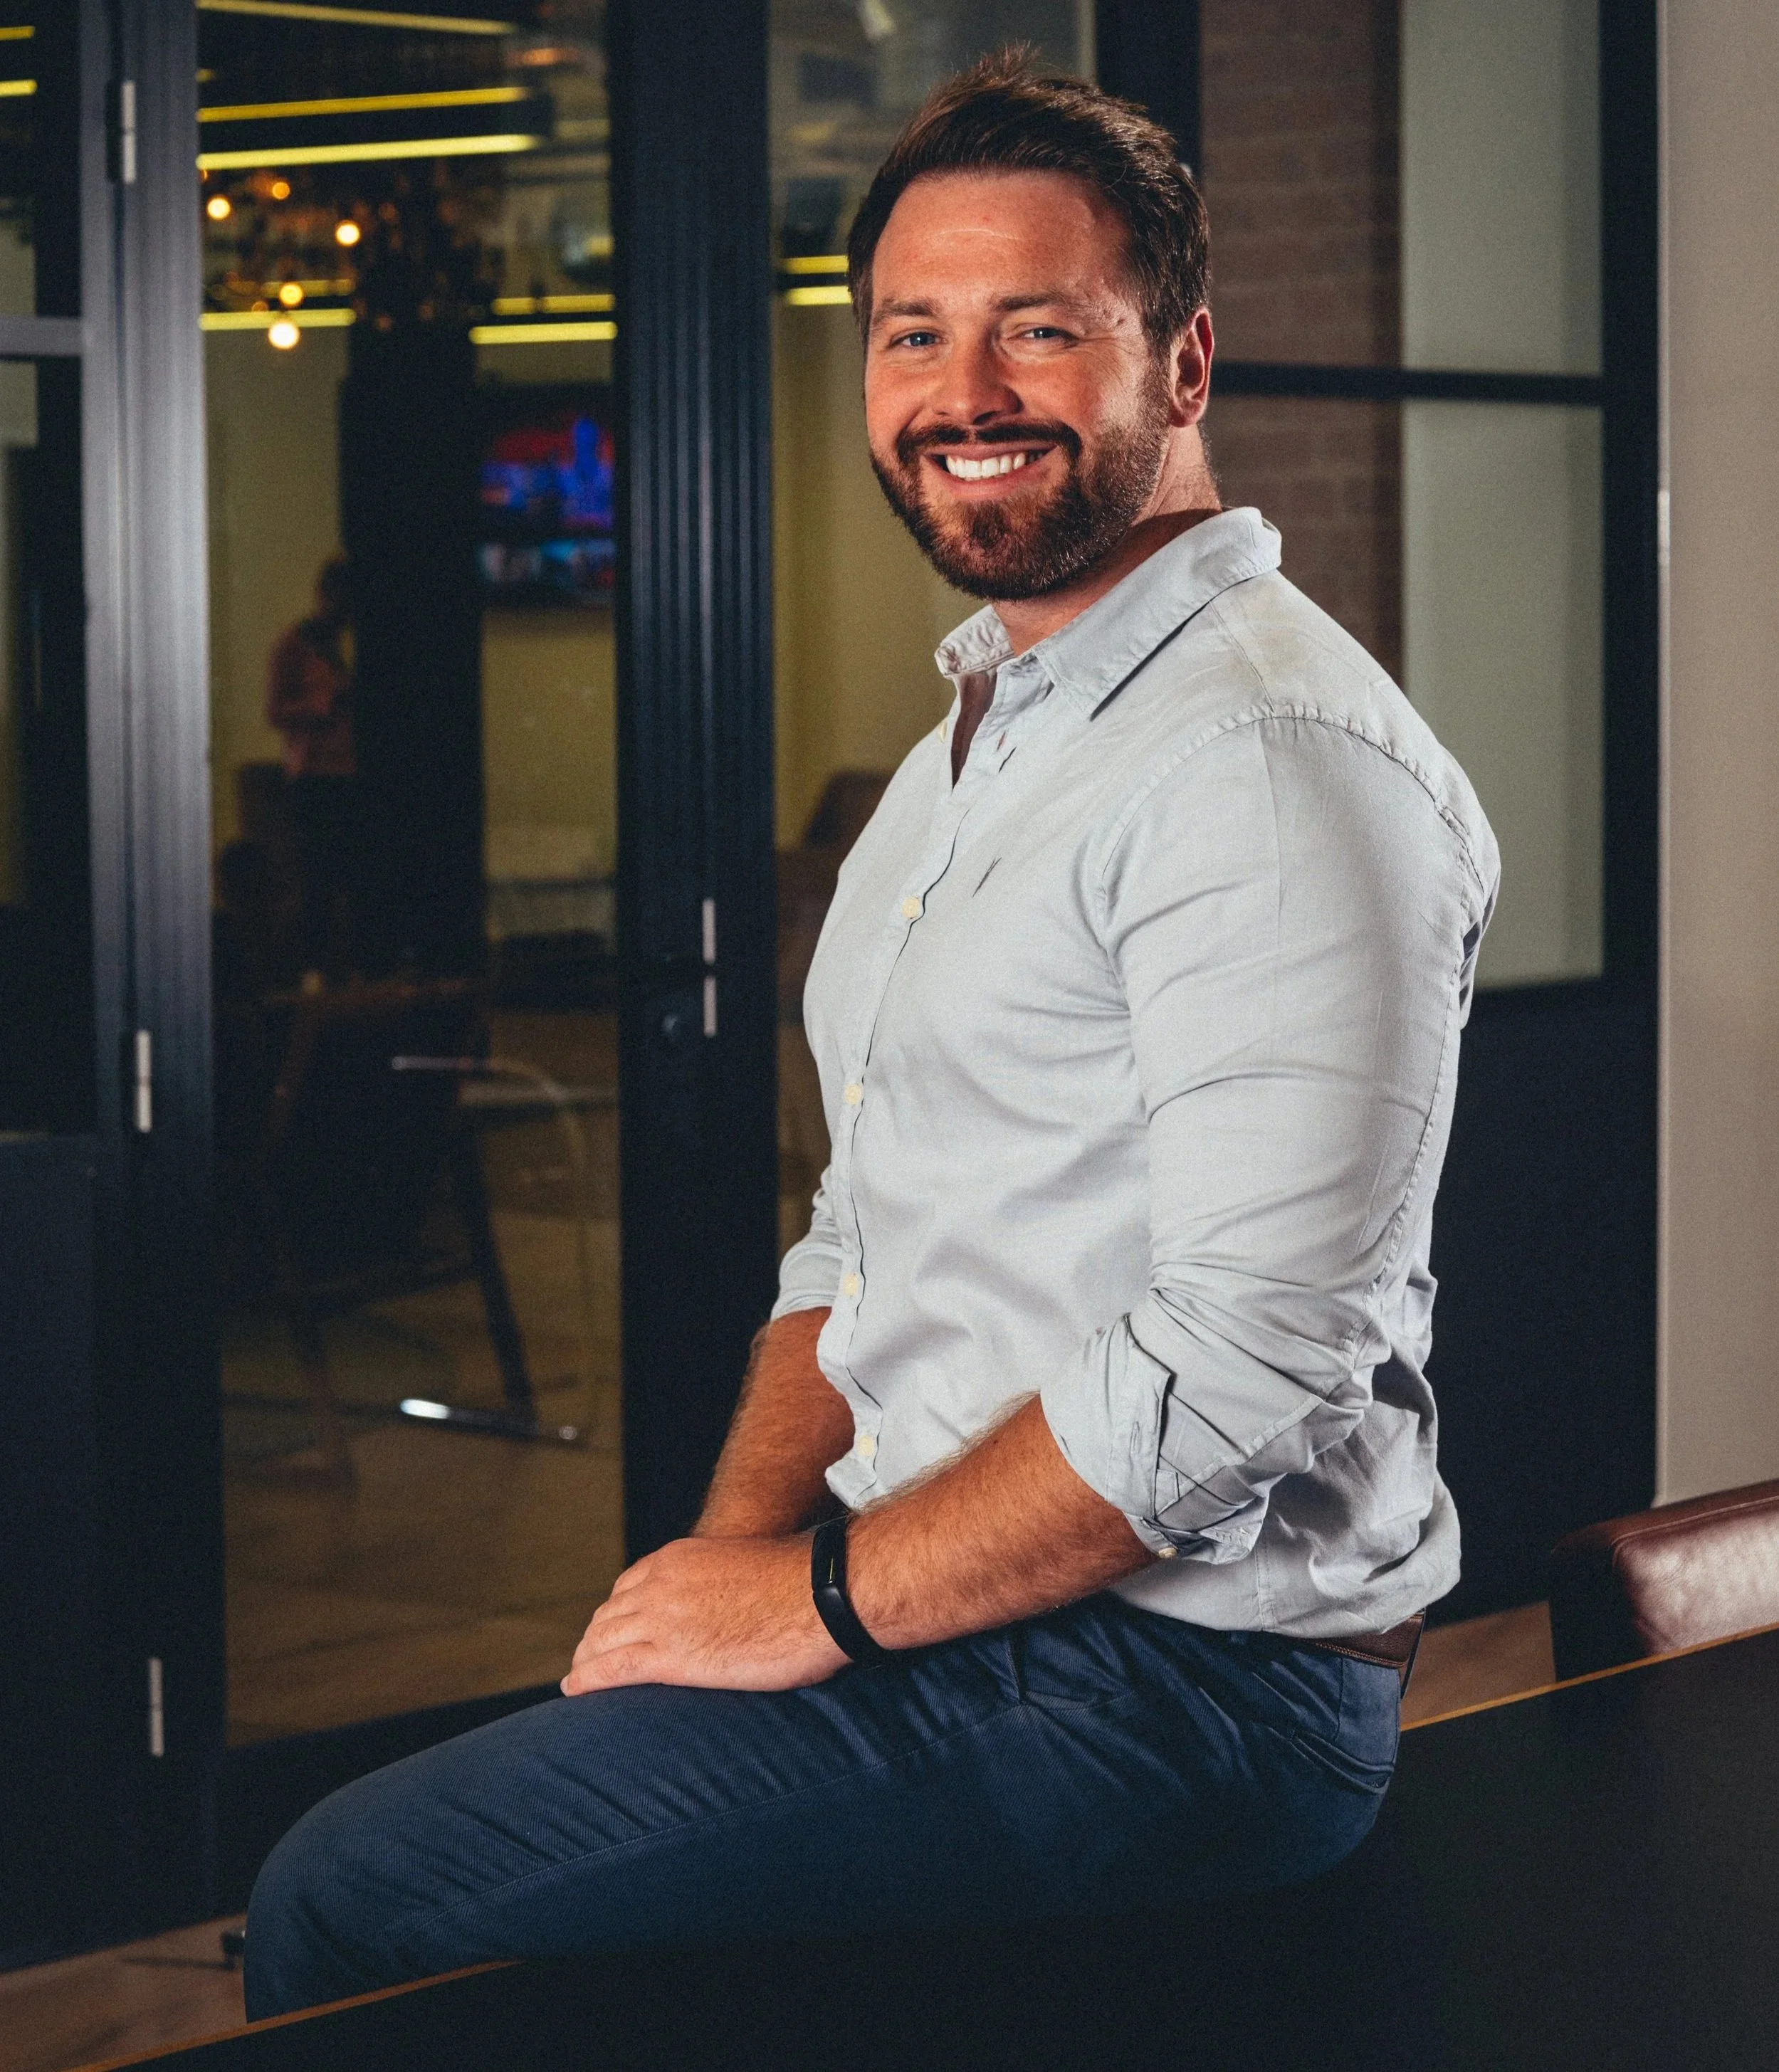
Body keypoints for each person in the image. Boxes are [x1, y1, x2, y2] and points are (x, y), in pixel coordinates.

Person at [245, 53, 1499, 2017]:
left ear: (1181, 364)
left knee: (342, 1887)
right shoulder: (979, 739)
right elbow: (864, 1224)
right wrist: (724, 1571)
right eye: (913, 333)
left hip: (1191, 1684)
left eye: (1038, 327)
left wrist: (812, 1598)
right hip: (969, 1596)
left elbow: (1250, 1348)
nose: (962, 389)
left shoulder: (1267, 756)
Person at [265, 554, 361, 972]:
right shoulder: (293, 644)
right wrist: (323, 704)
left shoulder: (352, 642)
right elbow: (275, 711)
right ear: (325, 594)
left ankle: (349, 968)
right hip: (314, 775)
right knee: (318, 878)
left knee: (353, 878)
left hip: (354, 772)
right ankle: (316, 970)